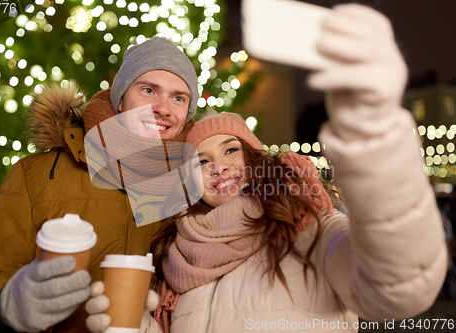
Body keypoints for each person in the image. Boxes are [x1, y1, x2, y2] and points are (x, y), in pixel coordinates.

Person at [85, 4, 448, 333]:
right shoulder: (177, 258)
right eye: (202, 160)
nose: (220, 167)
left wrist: (377, 142)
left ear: (256, 160)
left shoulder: (307, 229)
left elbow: (397, 285)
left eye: (231, 150)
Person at [0, 37, 199, 333]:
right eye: (148, 90)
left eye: (179, 98)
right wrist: (5, 304)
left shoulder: (197, 190)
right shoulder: (38, 176)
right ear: (119, 99)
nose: (163, 108)